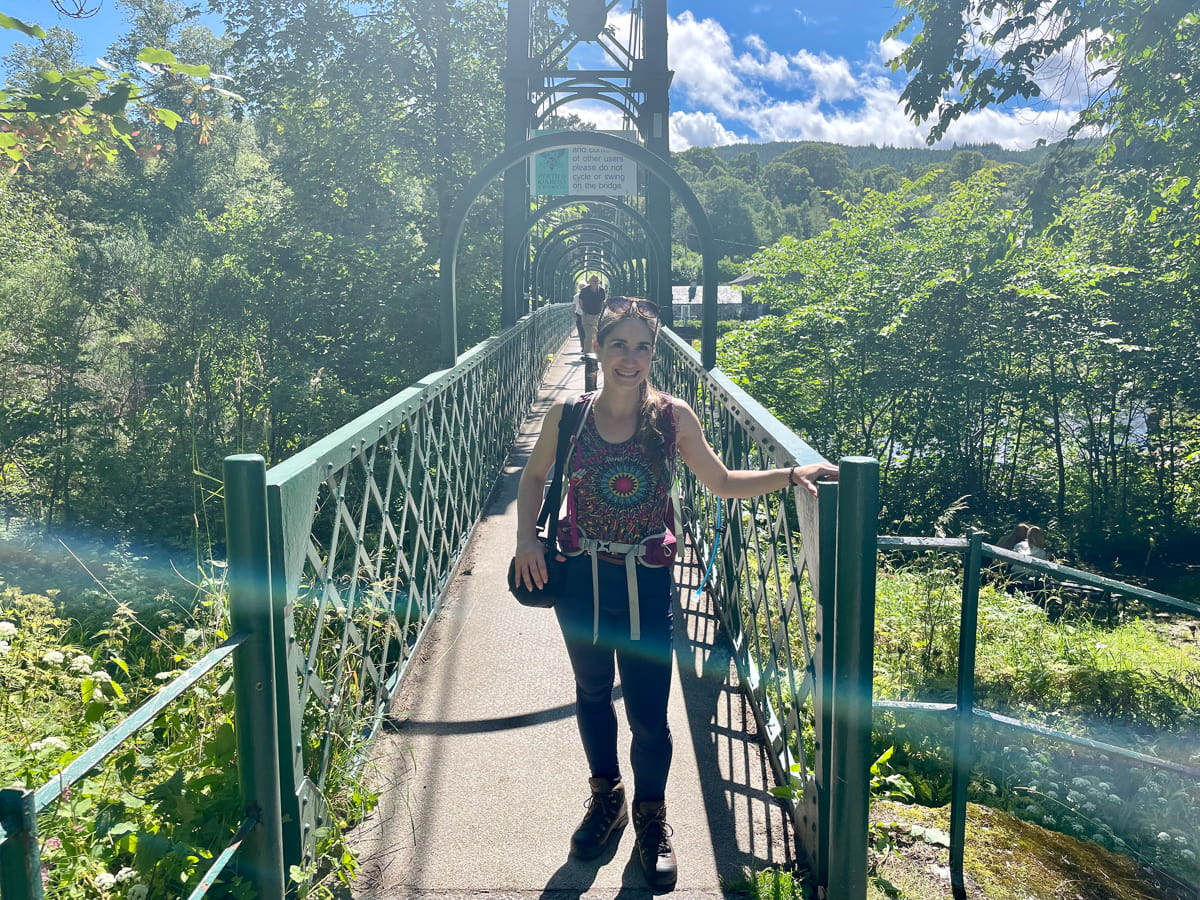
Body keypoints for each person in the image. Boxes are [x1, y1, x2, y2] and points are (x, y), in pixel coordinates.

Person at [513, 296, 838, 888]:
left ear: (653, 354)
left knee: (647, 711)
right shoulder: (569, 417)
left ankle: (651, 816)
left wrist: (791, 474)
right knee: (590, 691)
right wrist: (526, 542)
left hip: (648, 579)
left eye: (642, 347)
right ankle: (606, 799)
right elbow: (534, 478)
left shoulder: (671, 417)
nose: (630, 359)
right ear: (598, 347)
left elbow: (721, 481)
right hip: (580, 575)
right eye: (619, 345)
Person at [577, 275, 606, 354]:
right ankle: (587, 354)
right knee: (589, 336)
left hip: (597, 316)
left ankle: (592, 352)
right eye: (593, 280)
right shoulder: (584, 291)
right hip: (587, 315)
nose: (595, 282)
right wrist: (584, 312)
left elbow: (603, 302)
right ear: (589, 282)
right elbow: (580, 302)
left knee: (594, 336)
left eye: (596, 280)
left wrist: (603, 313)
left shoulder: (601, 291)